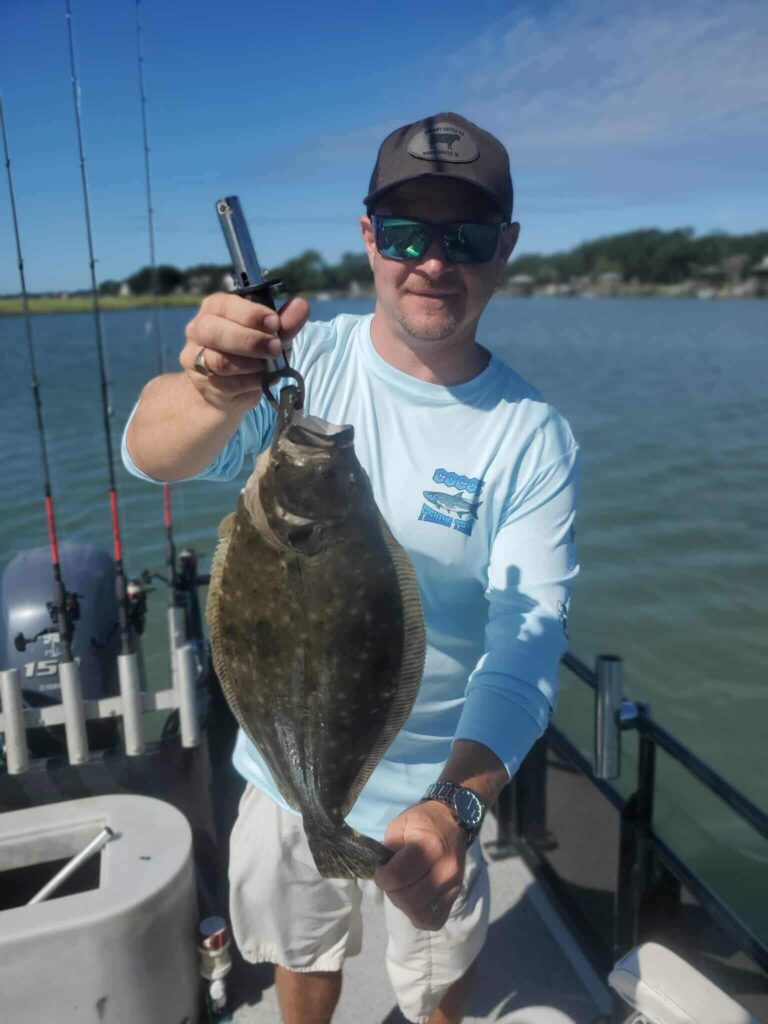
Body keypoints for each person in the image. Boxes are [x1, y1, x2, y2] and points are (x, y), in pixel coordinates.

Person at [121, 112, 579, 1024]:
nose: (434, 262)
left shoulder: (532, 436)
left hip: (432, 794)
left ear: (506, 247)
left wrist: (458, 808)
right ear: (369, 236)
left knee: (437, 985)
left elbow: (527, 651)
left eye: (468, 236)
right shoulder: (298, 364)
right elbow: (151, 451)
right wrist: (215, 386)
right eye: (406, 233)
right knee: (303, 954)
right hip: (282, 772)